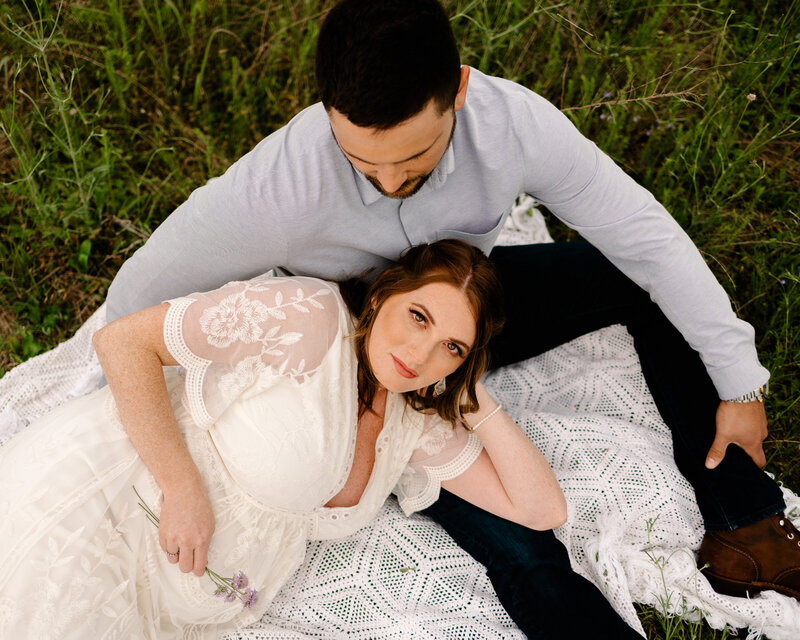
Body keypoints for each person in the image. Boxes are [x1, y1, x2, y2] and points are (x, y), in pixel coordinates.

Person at [103, 0, 799, 636]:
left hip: (468, 310)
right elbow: (136, 297)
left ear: (459, 92)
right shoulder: (275, 186)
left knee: (631, 275)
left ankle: (744, 521)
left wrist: (741, 384)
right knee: (525, 546)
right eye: (361, 164)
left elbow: (642, 234)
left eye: (412, 159)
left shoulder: (511, 122)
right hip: (361, 363)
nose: (388, 183)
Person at [0, 240, 567, 639]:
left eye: (452, 346)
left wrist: (474, 396)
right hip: (102, 510)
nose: (421, 355)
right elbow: (124, 343)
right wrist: (182, 487)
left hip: (172, 607)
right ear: (381, 297)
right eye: (418, 316)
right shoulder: (307, 318)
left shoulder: (410, 424)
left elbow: (541, 508)